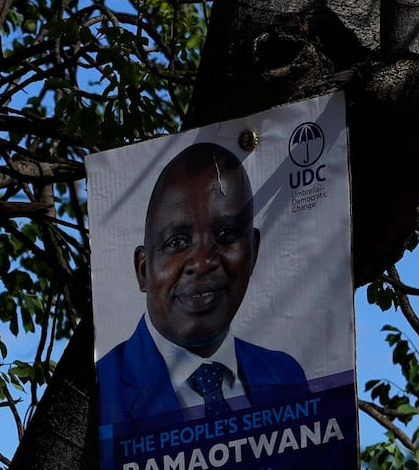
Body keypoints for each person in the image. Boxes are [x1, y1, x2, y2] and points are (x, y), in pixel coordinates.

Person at [96, 140, 310, 433]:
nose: (203, 261)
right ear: (143, 270)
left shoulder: (286, 376)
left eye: (226, 234)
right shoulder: (102, 388)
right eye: (177, 242)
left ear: (253, 252)